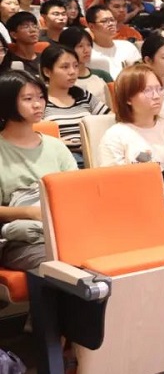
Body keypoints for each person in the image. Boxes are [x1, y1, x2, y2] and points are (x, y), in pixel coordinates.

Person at [0, 70, 77, 270]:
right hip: (20, 240)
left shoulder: (56, 146)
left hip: (63, 229)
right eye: (28, 99)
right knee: (65, 263)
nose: (37, 104)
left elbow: (76, 190)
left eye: (41, 97)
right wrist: (30, 212)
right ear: (7, 102)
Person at [99, 65, 164, 194]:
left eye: (159, 89)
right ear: (128, 99)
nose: (156, 96)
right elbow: (113, 182)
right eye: (148, 90)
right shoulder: (115, 136)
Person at [40, 45, 109, 166]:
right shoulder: (39, 100)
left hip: (93, 155)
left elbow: (109, 120)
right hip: (60, 158)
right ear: (47, 72)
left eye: (76, 66)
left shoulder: (84, 95)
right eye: (65, 67)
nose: (72, 72)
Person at [86, 6, 141, 79]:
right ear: (91, 26)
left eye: (112, 20)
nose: (111, 24)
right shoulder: (87, 53)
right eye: (104, 21)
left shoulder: (127, 46)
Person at [58, 27, 113, 99]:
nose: (86, 50)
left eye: (89, 45)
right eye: (80, 46)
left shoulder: (102, 76)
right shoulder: (60, 80)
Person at [5, 12, 42, 78]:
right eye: (26, 27)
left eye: (34, 26)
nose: (33, 30)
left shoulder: (45, 58)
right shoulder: (7, 61)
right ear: (14, 35)